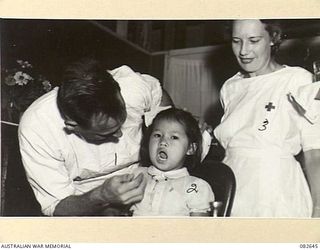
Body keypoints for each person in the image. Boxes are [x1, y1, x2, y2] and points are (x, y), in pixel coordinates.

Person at [18, 58, 173, 216]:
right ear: (72, 126)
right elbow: (57, 206)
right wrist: (101, 197)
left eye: (122, 123)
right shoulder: (38, 126)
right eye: (106, 133)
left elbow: (157, 94)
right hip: (87, 200)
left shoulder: (131, 86)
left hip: (146, 177)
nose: (120, 134)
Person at [214, 19, 320, 217]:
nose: (243, 51)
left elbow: (315, 154)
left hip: (274, 193)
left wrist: (318, 210)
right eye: (236, 41)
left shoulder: (298, 80)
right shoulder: (229, 87)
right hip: (231, 190)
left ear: (274, 38)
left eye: (254, 40)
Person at [130, 108, 215, 216]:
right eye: (157, 135)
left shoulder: (195, 186)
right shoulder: (136, 176)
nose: (163, 142)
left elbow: (200, 229)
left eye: (174, 137)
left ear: (190, 148)